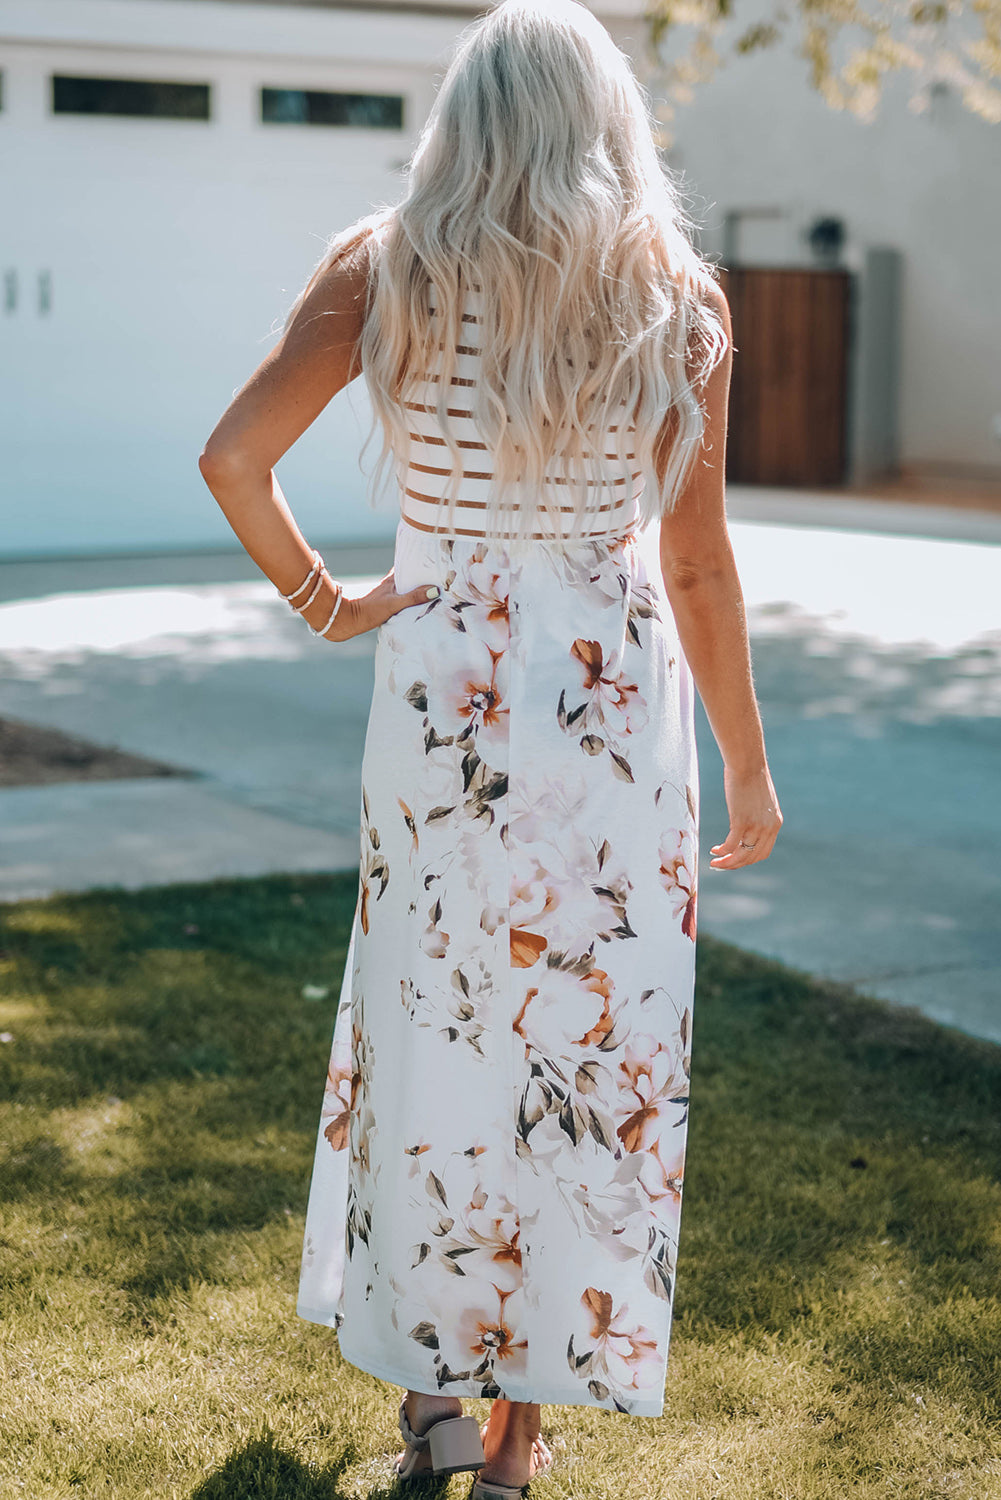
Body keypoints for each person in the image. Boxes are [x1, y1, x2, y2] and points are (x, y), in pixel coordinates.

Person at [198, 0, 782, 1493]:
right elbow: (699, 565)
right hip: (610, 713)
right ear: (609, 120)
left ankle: (433, 1410)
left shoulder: (384, 265)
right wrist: (748, 767)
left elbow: (234, 458)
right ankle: (521, 1442)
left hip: (439, 701)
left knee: (434, 1024)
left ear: (466, 115)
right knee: (591, 1051)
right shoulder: (678, 298)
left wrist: (332, 602)